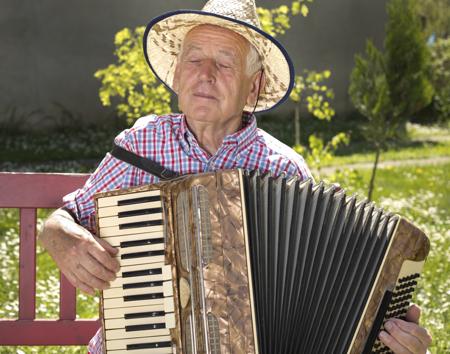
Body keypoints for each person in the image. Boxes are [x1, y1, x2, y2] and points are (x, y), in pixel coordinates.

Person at [39, 1, 432, 353]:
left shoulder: (284, 170)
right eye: (194, 60)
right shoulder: (141, 144)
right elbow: (65, 219)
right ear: (177, 75)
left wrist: (391, 340)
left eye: (225, 63)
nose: (205, 75)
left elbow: (329, 298)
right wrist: (59, 235)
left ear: (254, 86)